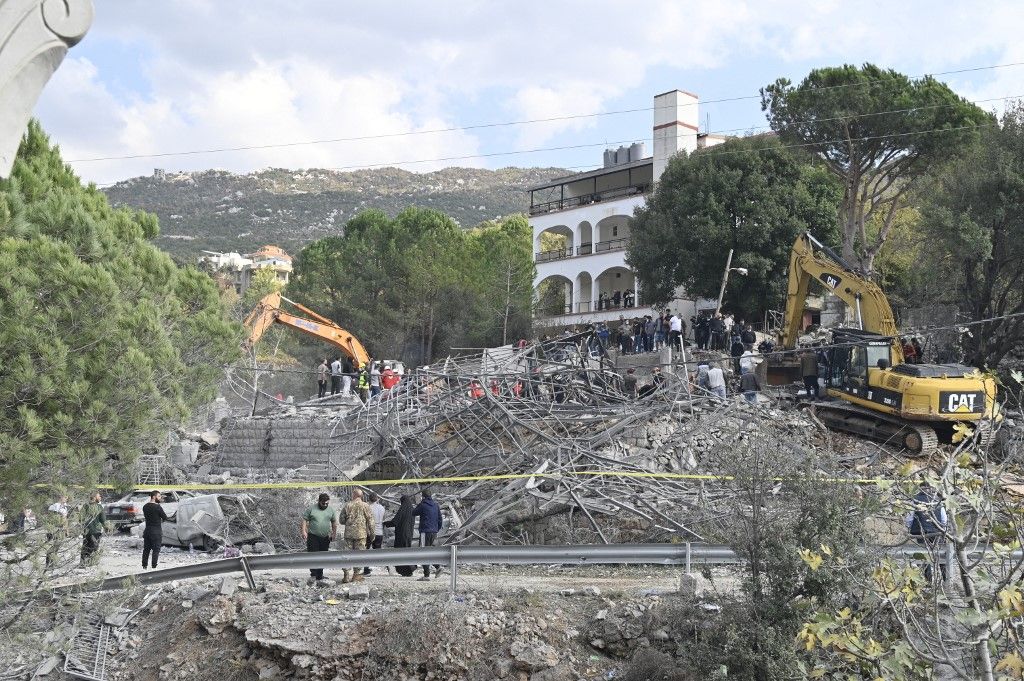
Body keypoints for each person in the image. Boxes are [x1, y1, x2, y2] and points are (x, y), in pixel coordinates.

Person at [906, 481, 948, 581]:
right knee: (940, 553)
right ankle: (946, 578)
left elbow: (909, 518)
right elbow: (944, 519)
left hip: (921, 532)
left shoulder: (914, 500)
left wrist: (909, 528)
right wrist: (943, 530)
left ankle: (928, 580)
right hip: (937, 531)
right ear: (929, 488)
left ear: (920, 489)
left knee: (925, 554)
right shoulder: (936, 500)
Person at [338, 489, 375, 584]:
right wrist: (372, 534)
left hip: (349, 534)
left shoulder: (347, 505)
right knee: (359, 555)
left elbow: (341, 520)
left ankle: (346, 575)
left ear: (354, 495)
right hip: (361, 534)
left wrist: (349, 521)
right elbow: (371, 521)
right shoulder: (366, 506)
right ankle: (356, 575)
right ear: (361, 496)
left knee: (347, 555)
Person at [301, 493, 337, 586]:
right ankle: (313, 575)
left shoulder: (330, 510)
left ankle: (320, 575)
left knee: (323, 556)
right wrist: (304, 531)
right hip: (313, 536)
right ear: (319, 501)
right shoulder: (311, 508)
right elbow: (305, 519)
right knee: (313, 555)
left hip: (325, 537)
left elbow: (334, 522)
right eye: (323, 503)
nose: (325, 505)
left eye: (326, 504)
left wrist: (334, 533)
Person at [413, 490, 444, 581]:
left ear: (423, 497)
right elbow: (440, 519)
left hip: (425, 531)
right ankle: (437, 567)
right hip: (434, 532)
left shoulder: (422, 505)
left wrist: (420, 503)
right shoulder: (435, 505)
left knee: (423, 552)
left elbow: (414, 512)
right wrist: (436, 529)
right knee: (429, 551)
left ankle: (427, 575)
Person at [383, 495, 417, 577]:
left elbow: (395, 521)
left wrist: (386, 523)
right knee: (407, 552)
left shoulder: (402, 509)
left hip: (401, 534)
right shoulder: (412, 509)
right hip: (409, 535)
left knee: (400, 552)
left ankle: (405, 571)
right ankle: (409, 570)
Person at [142, 490, 169, 570]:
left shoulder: (145, 506)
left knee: (146, 549)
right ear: (154, 497)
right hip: (156, 532)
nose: (160, 498)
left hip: (147, 531)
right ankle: (154, 567)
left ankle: (144, 566)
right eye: (159, 496)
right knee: (156, 549)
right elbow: (165, 517)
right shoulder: (158, 507)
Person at [363, 492, 386, 576]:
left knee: (366, 551)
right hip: (380, 531)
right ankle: (388, 566)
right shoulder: (382, 508)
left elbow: (365, 520)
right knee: (378, 551)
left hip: (370, 532)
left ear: (369, 499)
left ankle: (366, 570)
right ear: (377, 499)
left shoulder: (367, 507)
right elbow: (383, 519)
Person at [80, 492, 106, 567]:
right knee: (94, 546)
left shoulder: (85, 506)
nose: (100, 497)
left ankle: (83, 563)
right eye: (99, 496)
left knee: (85, 546)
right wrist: (107, 528)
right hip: (95, 530)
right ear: (94, 497)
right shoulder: (99, 507)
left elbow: (80, 518)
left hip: (86, 531)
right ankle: (91, 562)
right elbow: (103, 519)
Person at [45, 496, 69, 567]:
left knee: (57, 546)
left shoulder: (65, 507)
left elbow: (65, 519)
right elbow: (51, 518)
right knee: (52, 546)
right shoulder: (54, 506)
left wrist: (67, 529)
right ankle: (48, 563)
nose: (66, 498)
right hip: (54, 529)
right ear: (60, 497)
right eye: (65, 497)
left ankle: (52, 563)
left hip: (61, 529)